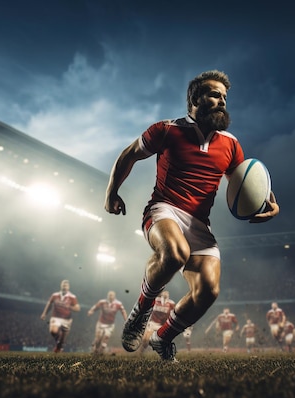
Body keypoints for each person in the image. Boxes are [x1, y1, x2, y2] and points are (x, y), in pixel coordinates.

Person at [104, 70, 279, 361]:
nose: (221, 101)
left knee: (208, 291)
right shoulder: (166, 130)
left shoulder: (231, 144)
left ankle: (163, 338)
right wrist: (111, 192)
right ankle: (142, 309)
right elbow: (130, 154)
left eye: (224, 97)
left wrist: (270, 204)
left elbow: (246, 183)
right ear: (195, 98)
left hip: (199, 222)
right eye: (214, 94)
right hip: (164, 209)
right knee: (175, 254)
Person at [40, 280, 81, 353]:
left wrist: (70, 307)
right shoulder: (55, 295)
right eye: (63, 285)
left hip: (66, 319)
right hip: (56, 316)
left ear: (68, 287)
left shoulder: (72, 297)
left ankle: (58, 348)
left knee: (63, 338)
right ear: (61, 286)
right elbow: (49, 304)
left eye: (66, 286)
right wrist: (44, 313)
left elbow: (78, 308)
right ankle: (59, 342)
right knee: (53, 331)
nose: (64, 287)